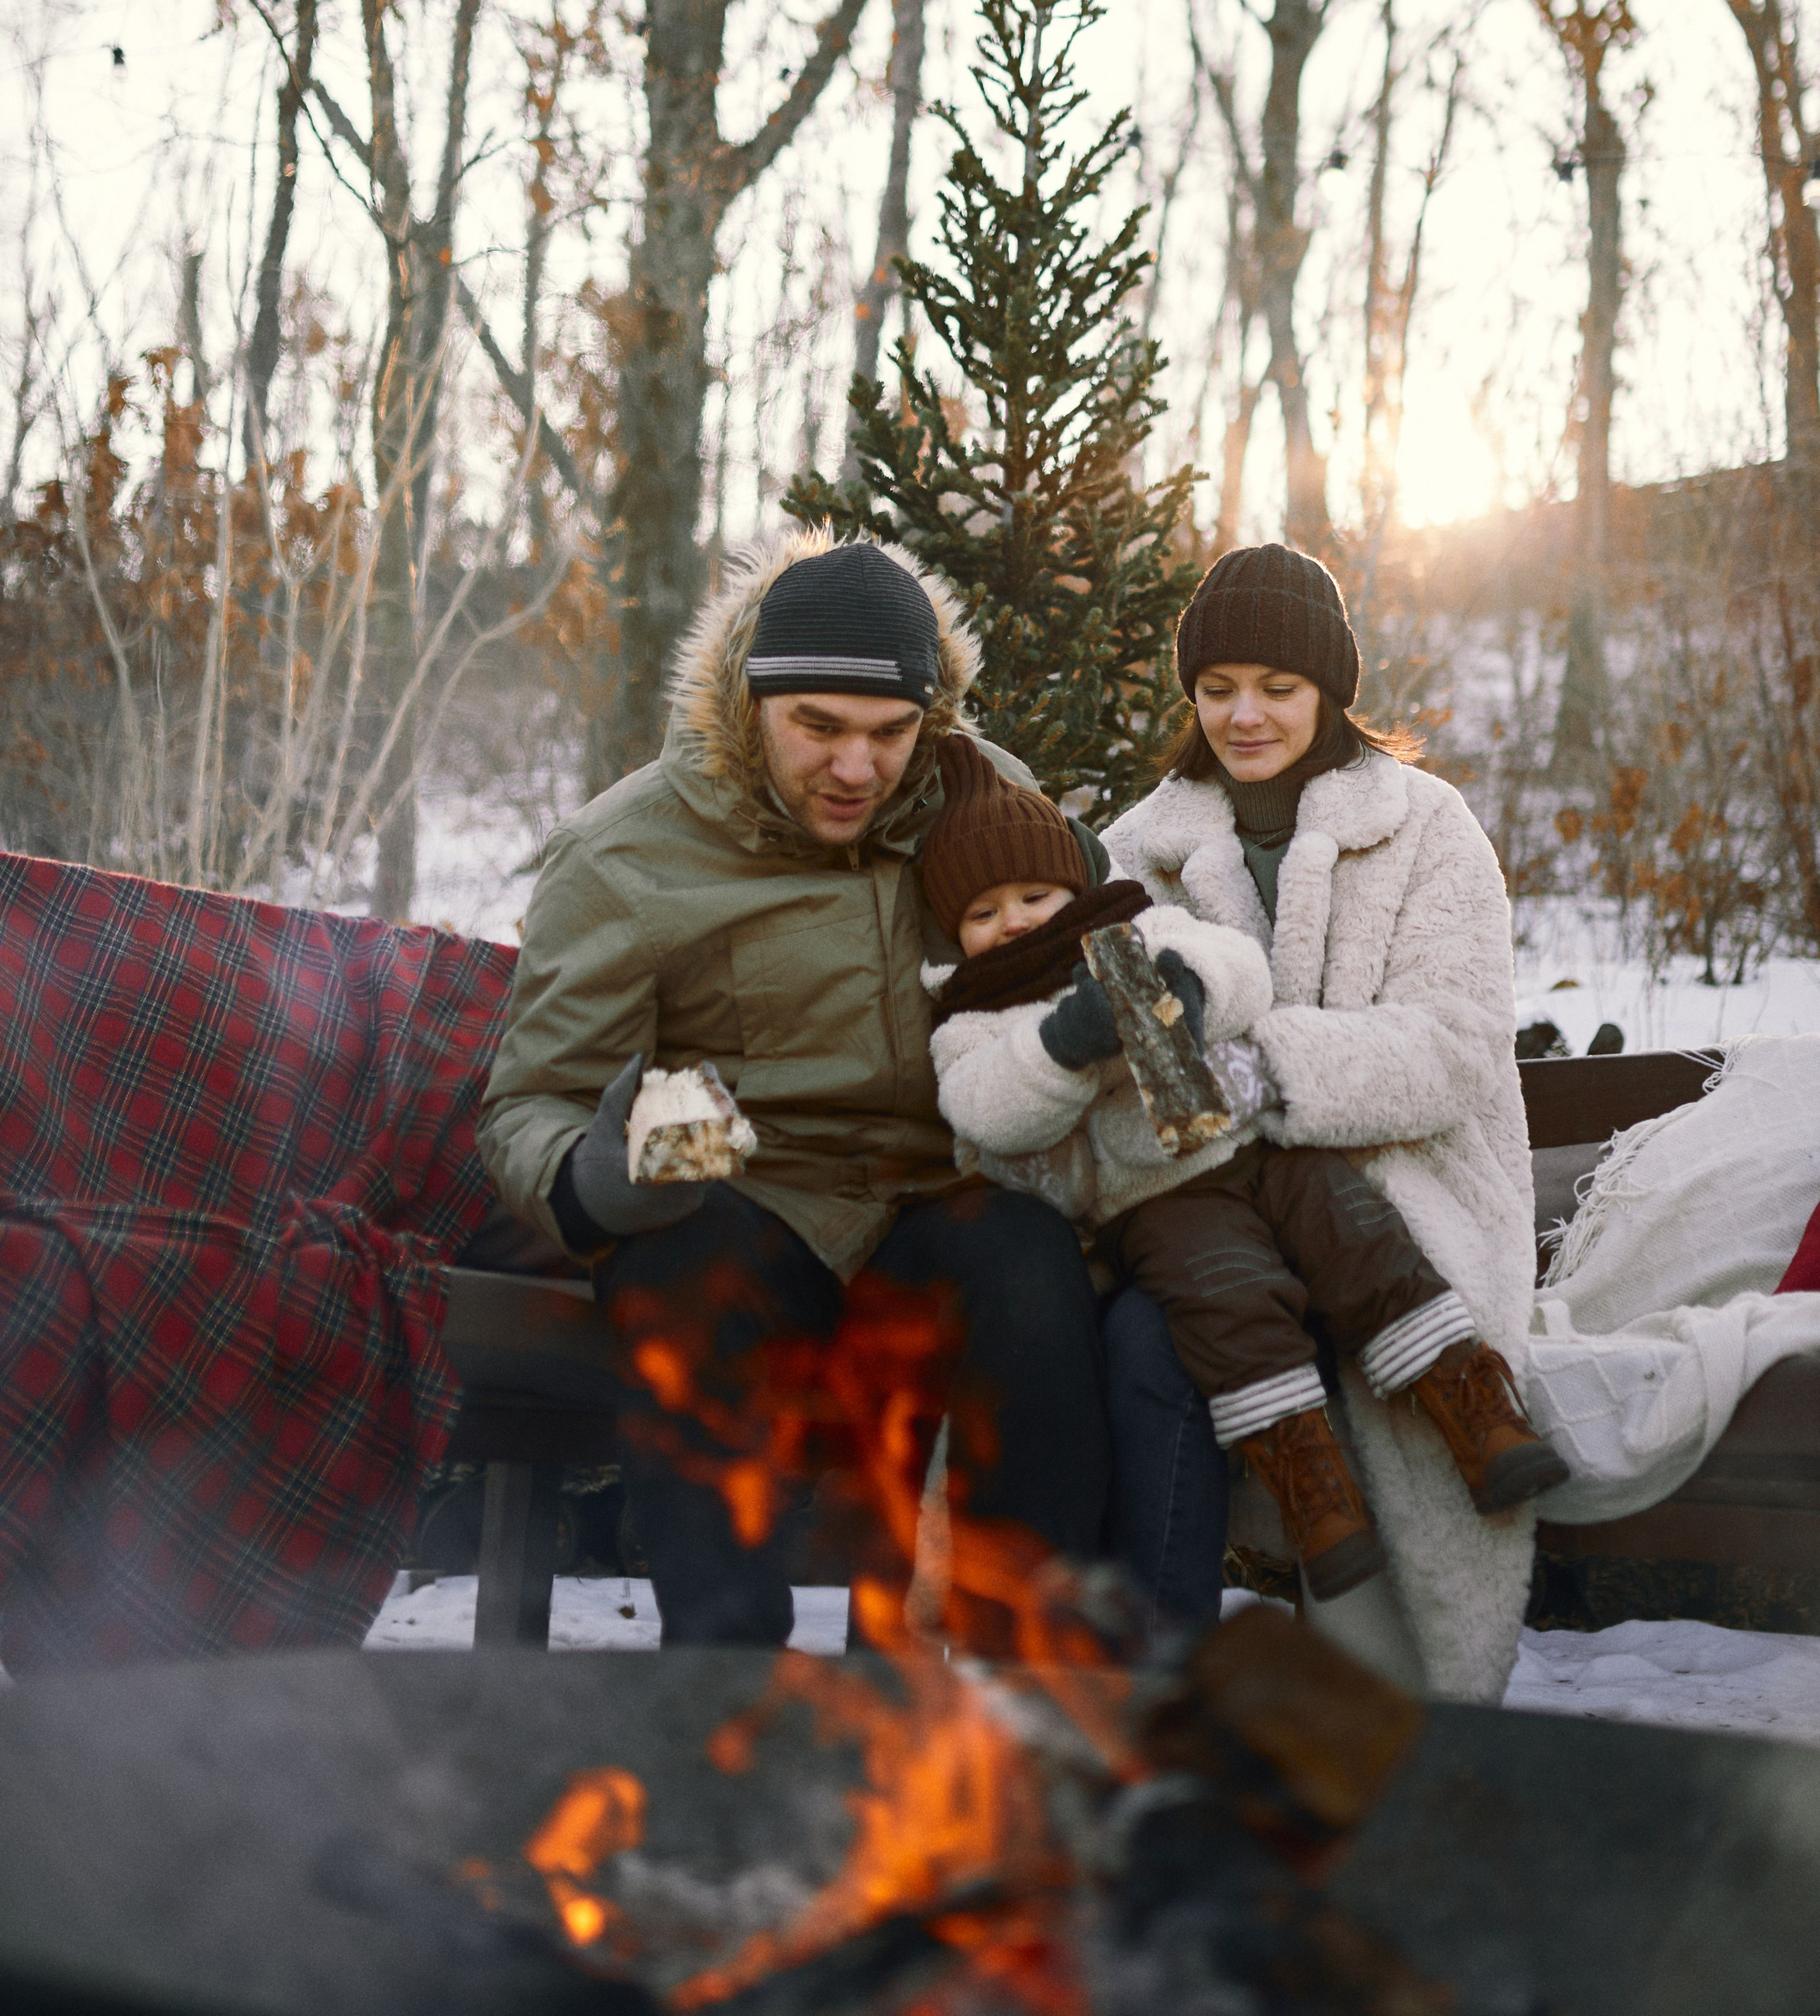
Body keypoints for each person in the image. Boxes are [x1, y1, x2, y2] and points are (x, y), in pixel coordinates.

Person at [475, 529, 1110, 1650]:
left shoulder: (984, 801)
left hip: (935, 1202)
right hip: (759, 1214)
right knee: (679, 1262)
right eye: (817, 727)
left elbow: (1085, 942)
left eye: (889, 733)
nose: (857, 769)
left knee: (1028, 1259)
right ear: (747, 705)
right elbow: (530, 1102)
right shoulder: (626, 855)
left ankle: (1020, 1691)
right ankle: (726, 1678)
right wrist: (595, 1179)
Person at [919, 734, 1564, 1607]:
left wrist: (1190, 984)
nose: (1017, 921)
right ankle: (1313, 1491)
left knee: (1360, 1237)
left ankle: (1471, 1403)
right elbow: (983, 1108)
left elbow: (1240, 969)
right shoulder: (976, 1014)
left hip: (1258, 1148)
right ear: (953, 931)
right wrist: (1059, 1047)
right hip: (1154, 1201)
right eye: (984, 911)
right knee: (1229, 1304)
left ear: (1071, 887)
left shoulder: (1132, 928)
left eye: (1034, 895)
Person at [1098, 543, 1547, 1702]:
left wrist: (1267, 1074)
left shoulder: (1427, 827)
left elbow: (1450, 1047)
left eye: (1277, 687)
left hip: (1403, 1190)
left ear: (1331, 691)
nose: (1244, 715)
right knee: (1148, 1343)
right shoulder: (1136, 852)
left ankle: (1393, 1714)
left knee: (1354, 1304)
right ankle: (1160, 1696)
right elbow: (1128, 1058)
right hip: (1207, 1207)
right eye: (1216, 689)